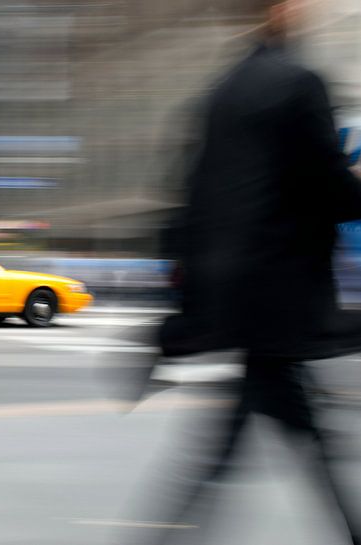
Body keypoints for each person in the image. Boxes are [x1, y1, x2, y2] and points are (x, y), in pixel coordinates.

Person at [137, 0, 361, 543]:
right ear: (280, 10)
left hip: (235, 297)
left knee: (245, 443)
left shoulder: (222, 90)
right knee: (291, 440)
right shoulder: (298, 82)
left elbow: (190, 197)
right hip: (278, 297)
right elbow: (328, 188)